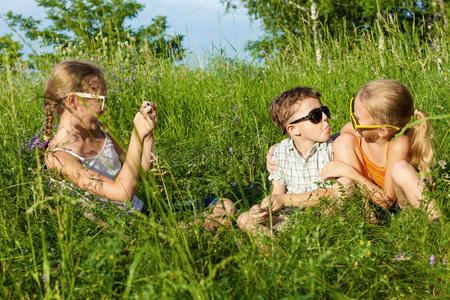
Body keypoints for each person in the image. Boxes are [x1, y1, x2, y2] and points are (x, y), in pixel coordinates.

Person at [43, 60, 234, 228]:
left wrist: (147, 136)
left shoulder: (100, 131)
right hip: (122, 226)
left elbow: (139, 174)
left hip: (143, 213)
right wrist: (136, 135)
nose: (104, 109)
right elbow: (122, 193)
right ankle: (173, 235)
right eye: (100, 101)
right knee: (221, 214)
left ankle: (180, 232)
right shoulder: (59, 157)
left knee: (224, 204)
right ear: (73, 102)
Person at [320, 79, 442, 221]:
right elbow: (342, 135)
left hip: (398, 204)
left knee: (401, 169)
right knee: (343, 141)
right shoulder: (354, 131)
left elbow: (387, 201)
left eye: (357, 119)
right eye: (353, 114)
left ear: (382, 131)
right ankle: (363, 213)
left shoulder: (398, 144)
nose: (352, 122)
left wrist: (347, 172)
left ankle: (437, 221)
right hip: (369, 199)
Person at [237, 87, 351, 236]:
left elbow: (335, 193)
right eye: (315, 115)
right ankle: (272, 249)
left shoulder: (333, 146)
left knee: (343, 191)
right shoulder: (281, 152)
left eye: (325, 111)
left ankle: (316, 235)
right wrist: (262, 210)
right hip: (291, 217)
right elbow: (276, 195)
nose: (325, 117)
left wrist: (285, 199)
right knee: (244, 219)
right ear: (294, 129)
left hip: (326, 214)